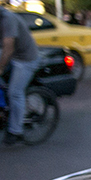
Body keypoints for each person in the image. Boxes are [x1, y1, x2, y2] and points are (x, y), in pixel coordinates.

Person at [0, 4, 40, 146]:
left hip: (25, 59)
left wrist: (1, 67)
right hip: (13, 56)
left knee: (15, 93)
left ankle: (16, 131)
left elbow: (8, 47)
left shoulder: (8, 19)